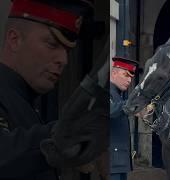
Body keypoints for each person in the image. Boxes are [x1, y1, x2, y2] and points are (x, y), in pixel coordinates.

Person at [0, 0, 89, 179]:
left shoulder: (28, 101)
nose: (63, 60)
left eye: (67, 51)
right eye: (51, 44)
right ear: (14, 39)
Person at [110, 56, 138, 180]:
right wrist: (132, 103)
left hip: (119, 162)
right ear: (114, 73)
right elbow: (111, 111)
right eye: (125, 75)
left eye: (131, 77)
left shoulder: (118, 95)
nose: (129, 80)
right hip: (111, 162)